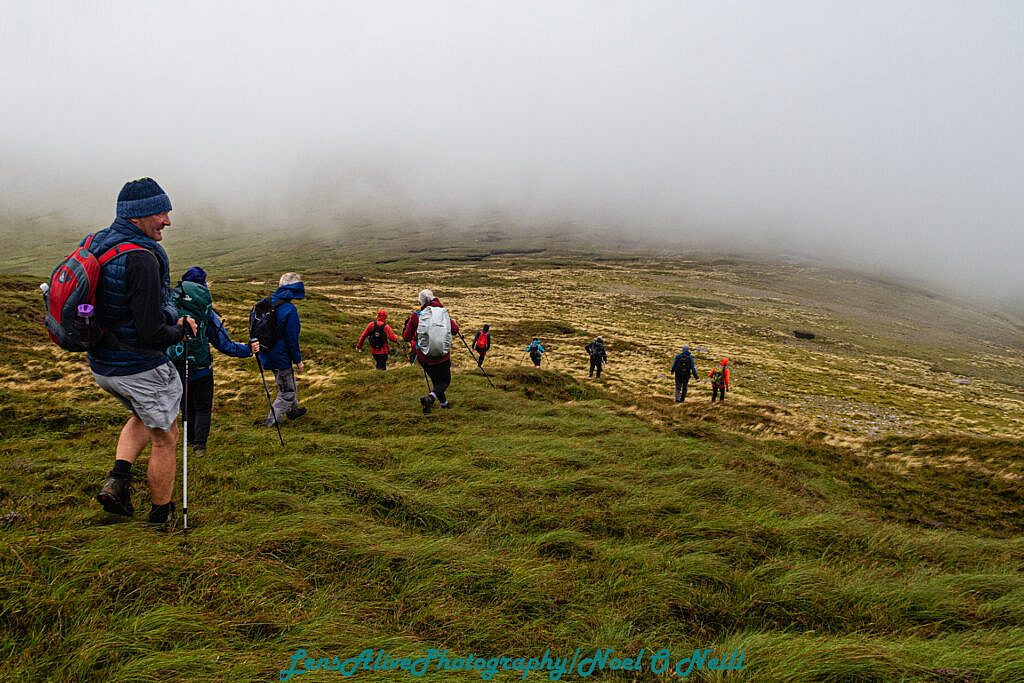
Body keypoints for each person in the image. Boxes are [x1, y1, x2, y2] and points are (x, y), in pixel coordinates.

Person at [90, 178, 196, 527]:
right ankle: (159, 517)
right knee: (165, 436)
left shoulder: (97, 242)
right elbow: (151, 333)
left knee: (142, 414)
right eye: (160, 212)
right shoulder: (142, 259)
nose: (167, 220)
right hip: (138, 365)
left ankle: (118, 482)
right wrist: (181, 328)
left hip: (104, 365)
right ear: (137, 216)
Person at [169, 267, 258, 453]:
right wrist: (247, 350)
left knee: (187, 406)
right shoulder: (205, 310)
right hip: (202, 368)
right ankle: (199, 446)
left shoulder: (171, 305)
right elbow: (225, 344)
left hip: (175, 367)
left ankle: (188, 440)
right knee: (202, 406)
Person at [255, 273, 307, 426]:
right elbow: (292, 339)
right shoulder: (289, 310)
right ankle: (271, 422)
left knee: (287, 383)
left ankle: (293, 411)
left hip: (266, 353)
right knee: (287, 392)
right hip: (281, 357)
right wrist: (298, 361)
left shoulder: (265, 303)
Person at [403, 288, 459, 413]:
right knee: (445, 381)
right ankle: (431, 398)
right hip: (442, 356)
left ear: (421, 302)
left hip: (425, 357)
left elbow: (406, 337)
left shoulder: (416, 316)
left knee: (436, 381)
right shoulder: (442, 313)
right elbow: (455, 330)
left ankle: (442, 403)